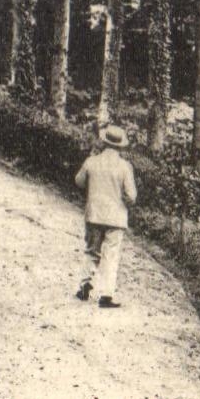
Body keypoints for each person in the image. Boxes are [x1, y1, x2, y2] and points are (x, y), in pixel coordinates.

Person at [74, 123, 137, 309]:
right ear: (120, 146)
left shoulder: (92, 161)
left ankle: (84, 285)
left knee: (91, 251)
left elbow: (78, 182)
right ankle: (106, 295)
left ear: (104, 142)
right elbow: (132, 196)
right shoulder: (125, 166)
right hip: (116, 217)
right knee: (111, 254)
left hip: (94, 214)